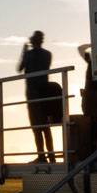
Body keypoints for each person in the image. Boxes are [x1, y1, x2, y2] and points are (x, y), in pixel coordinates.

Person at [18, 31, 60, 164]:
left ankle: (41, 156)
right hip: (45, 92)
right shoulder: (48, 54)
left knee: (36, 128)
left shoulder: (29, 55)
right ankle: (51, 155)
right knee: (46, 128)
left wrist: (24, 52)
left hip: (33, 93)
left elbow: (19, 68)